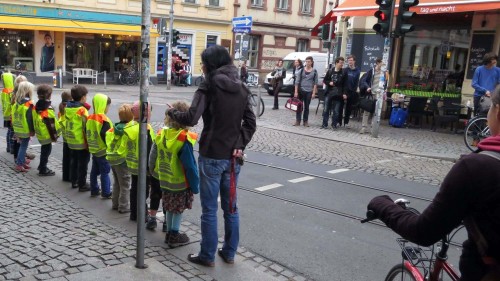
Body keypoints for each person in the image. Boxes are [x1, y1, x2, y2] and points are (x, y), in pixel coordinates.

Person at [367, 85, 500, 281]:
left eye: (490, 106)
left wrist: (381, 204)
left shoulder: (477, 167)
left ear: (497, 112)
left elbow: (423, 231)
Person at [167, 45, 256, 267]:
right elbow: (250, 123)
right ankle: (229, 252)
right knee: (231, 208)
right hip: (233, 158)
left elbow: (190, 118)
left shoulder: (208, 85)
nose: (202, 67)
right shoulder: (242, 88)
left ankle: (207, 255)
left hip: (211, 154)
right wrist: (239, 143)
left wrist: (171, 112)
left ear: (210, 64)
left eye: (203, 62)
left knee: (209, 209)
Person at [149, 101, 199, 248]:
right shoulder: (183, 138)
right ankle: (174, 235)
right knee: (177, 210)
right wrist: (195, 186)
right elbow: (190, 166)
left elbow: (153, 156)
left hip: (164, 179)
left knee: (169, 207)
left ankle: (170, 234)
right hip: (179, 182)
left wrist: (152, 172)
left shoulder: (161, 133)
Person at [122, 101, 155, 221]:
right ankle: (141, 214)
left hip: (132, 163)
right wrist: (150, 168)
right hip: (143, 166)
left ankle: (134, 213)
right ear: (145, 113)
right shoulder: (145, 128)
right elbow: (149, 148)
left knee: (134, 188)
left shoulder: (130, 126)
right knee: (143, 191)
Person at [106, 104, 132, 213]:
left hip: (112, 157)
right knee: (125, 184)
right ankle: (123, 206)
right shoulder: (129, 129)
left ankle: (115, 204)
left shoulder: (114, 128)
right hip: (122, 160)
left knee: (117, 182)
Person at [86, 94, 113, 199]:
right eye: (108, 106)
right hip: (103, 150)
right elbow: (106, 136)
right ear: (103, 105)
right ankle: (106, 192)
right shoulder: (103, 119)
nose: (108, 108)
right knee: (105, 172)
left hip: (94, 149)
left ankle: (94, 189)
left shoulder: (90, 118)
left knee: (94, 171)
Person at [65, 85, 91, 192]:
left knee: (74, 161)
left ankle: (74, 181)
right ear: (83, 97)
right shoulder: (82, 110)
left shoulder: (68, 107)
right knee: (83, 163)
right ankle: (82, 184)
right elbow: (86, 127)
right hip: (81, 141)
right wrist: (88, 142)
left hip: (71, 140)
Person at [33, 84, 59, 176]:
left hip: (40, 132)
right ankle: (43, 169)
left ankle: (41, 166)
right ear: (49, 95)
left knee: (44, 150)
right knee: (46, 151)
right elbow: (52, 123)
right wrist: (56, 134)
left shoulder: (37, 106)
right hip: (47, 133)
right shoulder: (48, 108)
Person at [359, 58, 388, 134]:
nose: (383, 65)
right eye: (382, 63)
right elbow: (364, 81)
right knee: (366, 111)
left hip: (379, 95)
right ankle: (364, 127)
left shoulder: (384, 73)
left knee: (376, 112)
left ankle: (373, 127)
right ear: (378, 63)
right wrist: (368, 87)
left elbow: (386, 83)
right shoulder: (371, 71)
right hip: (371, 93)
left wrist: (384, 90)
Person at [11, 81, 35, 172]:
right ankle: (19, 164)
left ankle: (22, 161)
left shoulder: (17, 102)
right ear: (28, 91)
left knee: (22, 145)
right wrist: (32, 130)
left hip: (18, 127)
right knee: (23, 146)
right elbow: (29, 118)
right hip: (25, 129)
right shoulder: (28, 103)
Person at [322, 57, 347, 129]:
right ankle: (324, 124)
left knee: (336, 111)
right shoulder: (330, 71)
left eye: (343, 63)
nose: (342, 64)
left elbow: (345, 84)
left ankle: (334, 124)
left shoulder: (343, 73)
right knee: (326, 109)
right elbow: (325, 80)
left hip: (338, 94)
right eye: (340, 63)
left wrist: (344, 93)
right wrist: (329, 82)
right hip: (329, 92)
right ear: (336, 63)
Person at [293, 56, 317, 127]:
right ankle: (298, 120)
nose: (307, 63)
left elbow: (315, 83)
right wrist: (296, 91)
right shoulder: (301, 70)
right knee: (299, 106)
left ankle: (305, 121)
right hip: (301, 90)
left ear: (312, 62)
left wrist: (314, 93)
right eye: (306, 61)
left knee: (307, 107)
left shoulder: (314, 71)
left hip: (309, 91)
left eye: (309, 61)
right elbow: (296, 82)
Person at [341, 55, 361, 128]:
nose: (350, 62)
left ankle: (346, 123)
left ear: (354, 61)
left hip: (351, 91)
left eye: (351, 60)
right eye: (349, 60)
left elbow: (357, 82)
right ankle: (339, 122)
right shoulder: (345, 70)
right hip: (344, 91)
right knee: (341, 106)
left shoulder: (357, 71)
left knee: (348, 108)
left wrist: (354, 90)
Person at [58, 91, 72, 182]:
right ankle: (71, 176)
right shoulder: (69, 108)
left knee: (66, 157)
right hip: (71, 137)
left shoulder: (61, 107)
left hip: (65, 137)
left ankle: (65, 176)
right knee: (72, 159)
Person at [1, 70, 15, 153]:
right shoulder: (10, 91)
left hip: (6, 114)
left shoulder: (3, 91)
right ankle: (11, 148)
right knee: (11, 131)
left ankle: (8, 147)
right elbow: (12, 104)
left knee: (9, 131)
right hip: (10, 114)